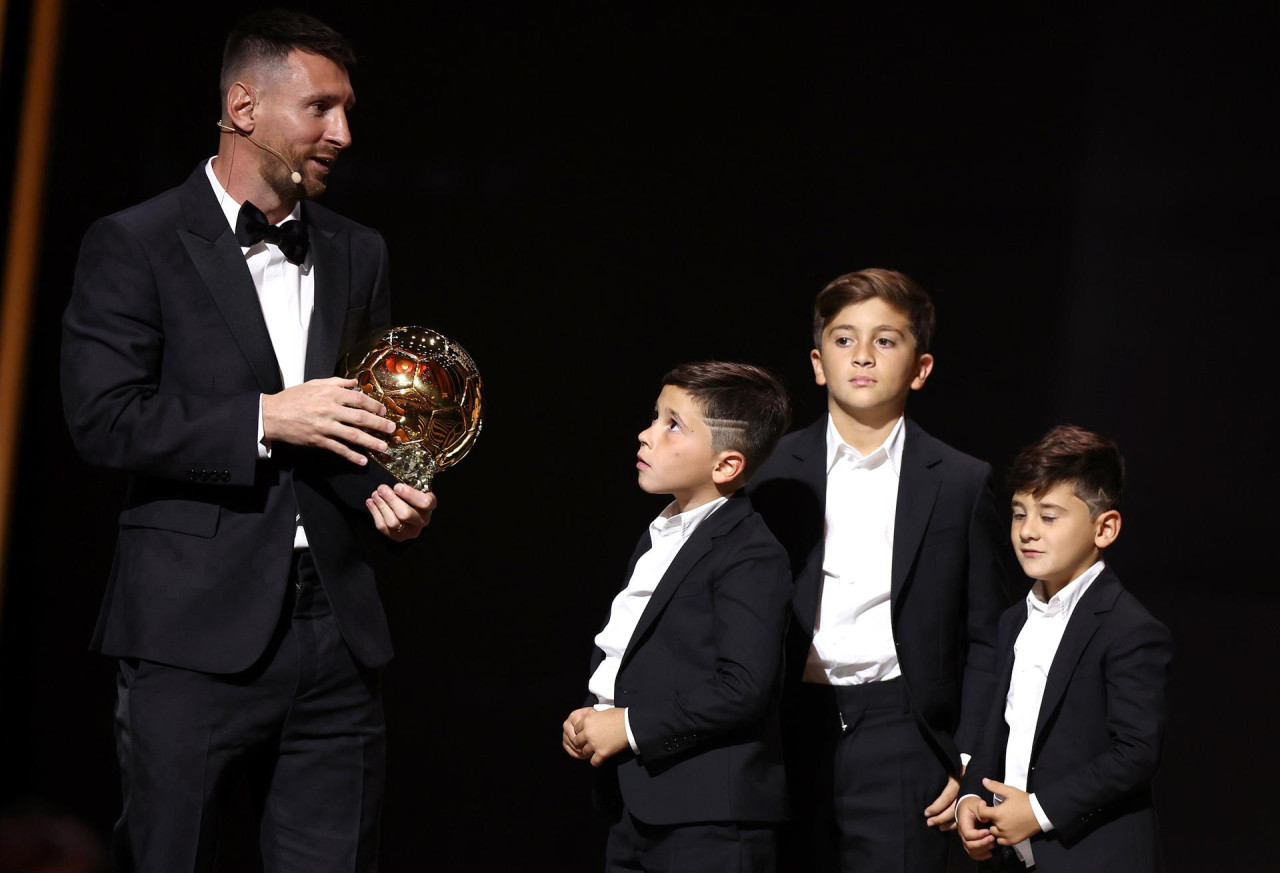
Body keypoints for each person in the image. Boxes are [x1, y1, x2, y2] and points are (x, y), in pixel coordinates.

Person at [59, 10, 434, 871]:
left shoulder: (356, 250)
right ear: (243, 105)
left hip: (336, 630)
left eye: (347, 110)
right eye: (320, 108)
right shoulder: (136, 241)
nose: (343, 132)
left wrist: (392, 489)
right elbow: (103, 416)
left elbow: (362, 419)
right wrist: (266, 417)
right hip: (190, 632)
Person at [747, 268, 1012, 871]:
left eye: (886, 341)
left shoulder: (961, 482)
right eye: (844, 340)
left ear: (920, 368)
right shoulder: (770, 474)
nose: (862, 356)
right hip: (787, 727)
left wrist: (972, 759)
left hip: (902, 735)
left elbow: (990, 635)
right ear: (818, 364)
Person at [561, 361, 793, 872]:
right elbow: (632, 647)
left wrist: (629, 727)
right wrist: (593, 710)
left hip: (706, 821)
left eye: (673, 425)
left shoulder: (751, 552)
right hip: (636, 807)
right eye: (654, 417)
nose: (645, 435)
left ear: (726, 466)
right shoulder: (659, 535)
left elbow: (743, 687)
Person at [956, 425, 1171, 871]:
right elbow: (995, 731)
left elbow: (1135, 752)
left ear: (1105, 528)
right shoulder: (1013, 620)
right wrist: (971, 795)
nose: (1027, 532)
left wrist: (1037, 812)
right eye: (1019, 514)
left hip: (1092, 856)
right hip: (1009, 856)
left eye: (1049, 516)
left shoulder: (1128, 628)